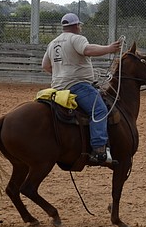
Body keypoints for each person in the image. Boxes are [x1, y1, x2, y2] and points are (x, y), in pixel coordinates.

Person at [41, 13, 122, 165]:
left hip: (58, 88)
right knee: (99, 110)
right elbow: (88, 50)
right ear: (76, 25)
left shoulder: (53, 43)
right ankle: (99, 150)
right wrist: (109, 48)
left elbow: (45, 65)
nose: (80, 27)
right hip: (78, 86)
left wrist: (62, 73)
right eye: (79, 25)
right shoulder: (77, 39)